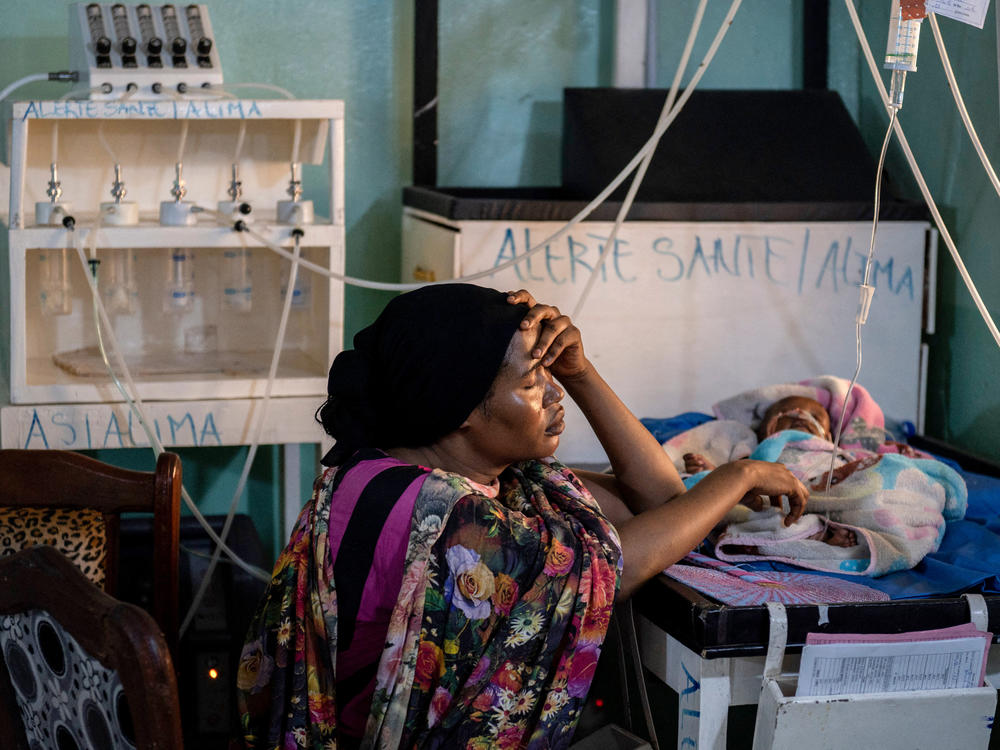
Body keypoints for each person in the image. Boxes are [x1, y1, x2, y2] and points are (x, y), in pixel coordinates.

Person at [236, 283, 809, 750]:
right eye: (535, 381)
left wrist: (583, 372)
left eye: (555, 374)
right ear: (459, 409)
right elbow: (615, 565)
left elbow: (657, 502)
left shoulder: (461, 476)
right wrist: (738, 475)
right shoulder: (436, 517)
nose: (554, 393)